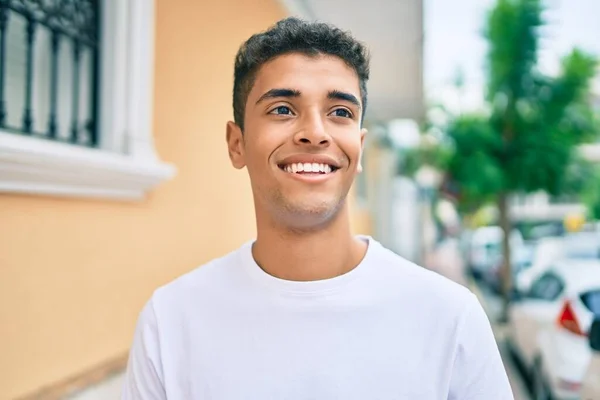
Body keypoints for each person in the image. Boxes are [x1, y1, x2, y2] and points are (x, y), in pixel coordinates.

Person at [122, 17, 514, 400]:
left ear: (359, 146)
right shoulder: (171, 321)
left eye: (340, 112)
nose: (315, 132)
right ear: (236, 143)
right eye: (282, 109)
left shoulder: (449, 319)